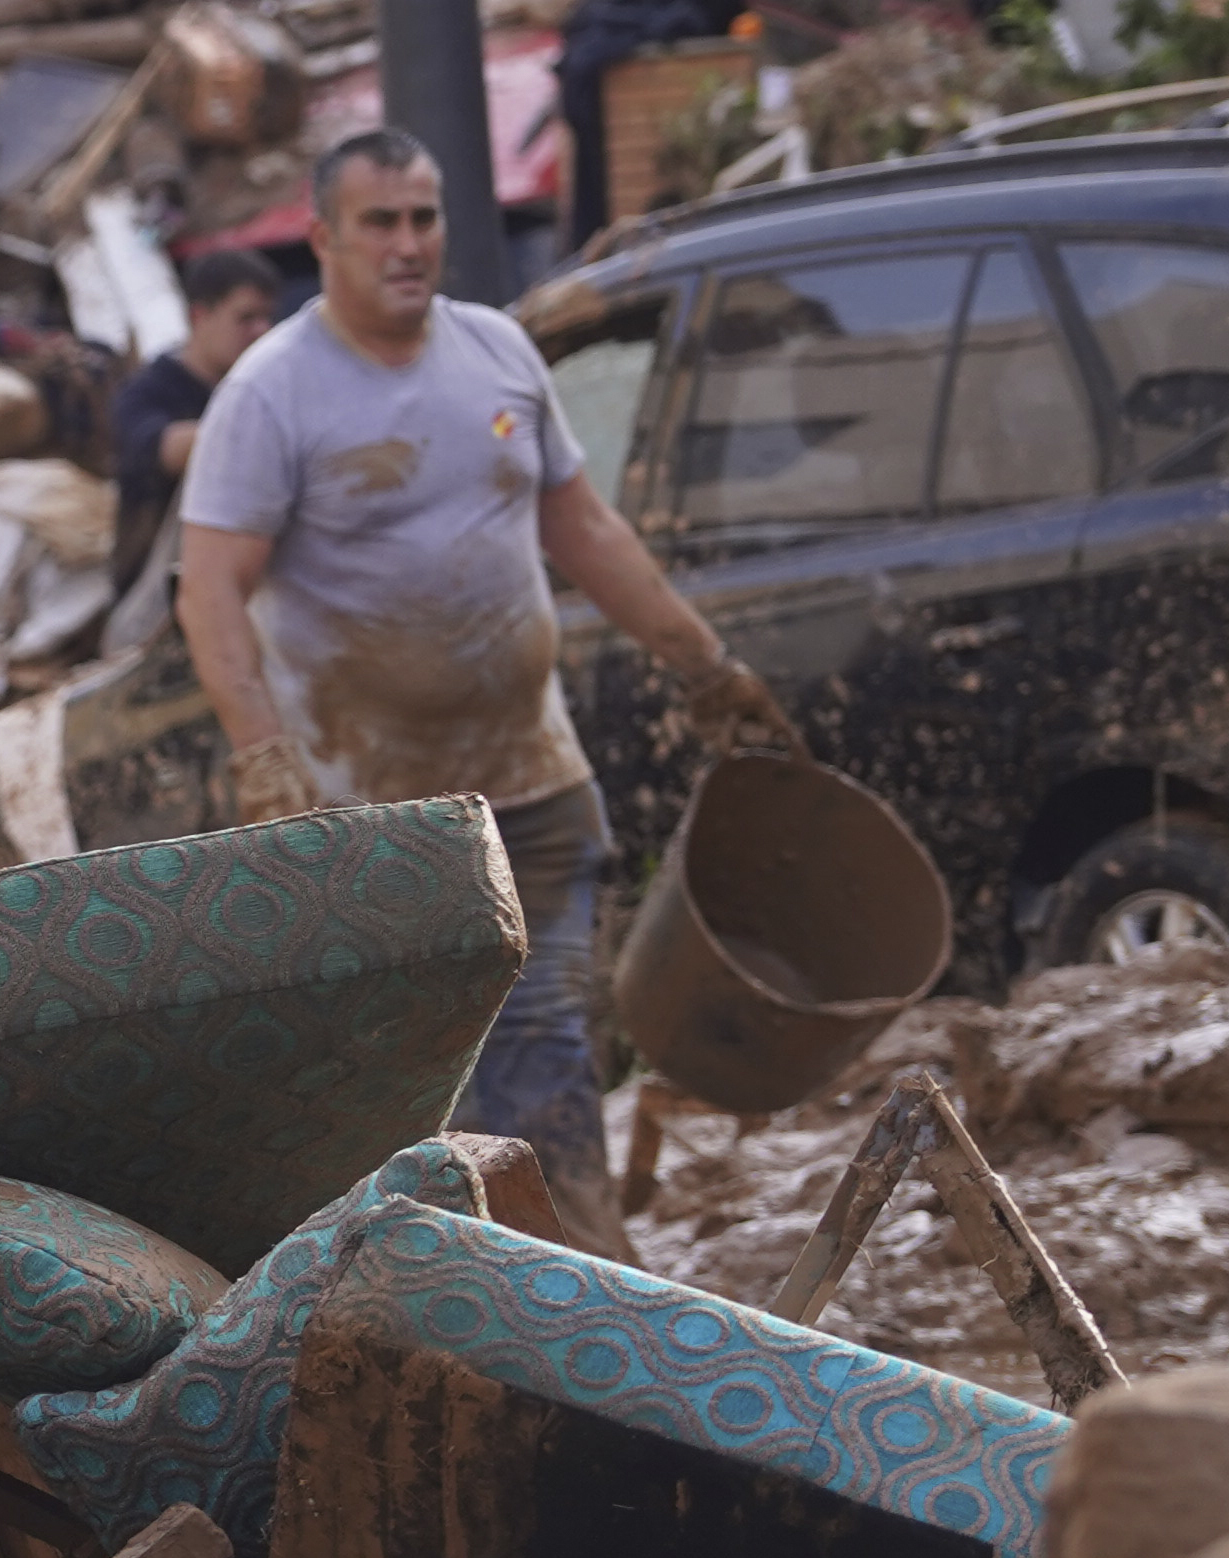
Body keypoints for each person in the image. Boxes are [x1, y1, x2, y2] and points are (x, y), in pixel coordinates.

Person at [175, 130, 792, 1257]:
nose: (409, 244)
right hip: (375, 816)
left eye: (425, 217)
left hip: (532, 786)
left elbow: (585, 528)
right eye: (381, 221)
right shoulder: (273, 396)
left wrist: (703, 663)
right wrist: (261, 754)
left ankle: (598, 1287)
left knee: (550, 1039)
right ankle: (442, 1295)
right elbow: (211, 585)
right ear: (323, 237)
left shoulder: (499, 352)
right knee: (414, 1077)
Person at [106, 247, 282, 589]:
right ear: (199, 316)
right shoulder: (147, 392)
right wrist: (265, 437)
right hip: (155, 594)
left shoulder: (262, 390)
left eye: (266, 318)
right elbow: (159, 447)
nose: (261, 331)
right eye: (245, 318)